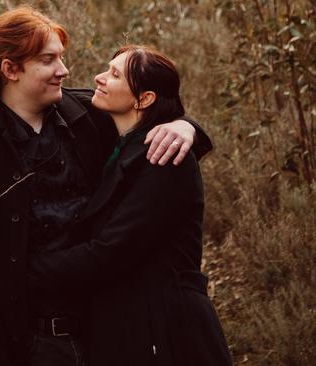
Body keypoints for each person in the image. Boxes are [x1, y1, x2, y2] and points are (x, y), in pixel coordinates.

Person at [0, 7, 212, 366]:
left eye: (62, 57)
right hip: (37, 340)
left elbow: (149, 111)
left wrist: (186, 126)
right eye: (49, 60)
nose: (64, 70)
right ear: (11, 69)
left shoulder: (84, 114)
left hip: (112, 330)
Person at [28, 45, 233, 365]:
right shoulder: (117, 141)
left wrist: (31, 271)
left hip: (167, 332)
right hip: (131, 327)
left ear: (144, 99)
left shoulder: (163, 158)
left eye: (114, 74)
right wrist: (188, 124)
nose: (99, 77)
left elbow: (111, 250)